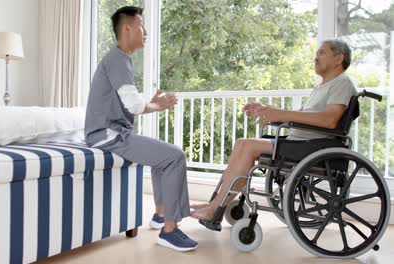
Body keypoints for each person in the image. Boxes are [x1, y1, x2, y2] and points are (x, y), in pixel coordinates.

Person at [191, 39, 357, 221]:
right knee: (241, 143)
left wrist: (281, 114)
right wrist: (267, 110)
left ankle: (216, 208)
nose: (315, 58)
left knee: (247, 146)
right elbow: (301, 116)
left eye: (321, 53)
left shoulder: (342, 83)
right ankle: (215, 203)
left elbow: (329, 120)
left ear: (338, 58)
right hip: (299, 142)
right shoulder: (323, 86)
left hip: (312, 146)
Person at [84, 6, 197, 251]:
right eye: (142, 26)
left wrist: (152, 101)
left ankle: (160, 216)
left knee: (162, 158)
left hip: (110, 133)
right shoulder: (118, 59)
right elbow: (134, 105)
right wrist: (157, 104)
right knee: (175, 156)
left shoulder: (119, 59)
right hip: (108, 135)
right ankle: (169, 230)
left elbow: (129, 101)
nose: (145, 31)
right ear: (127, 28)